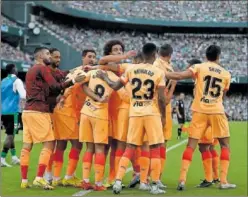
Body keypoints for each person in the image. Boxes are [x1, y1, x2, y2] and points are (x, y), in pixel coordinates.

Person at [96, 43, 166, 195]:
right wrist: (164, 117)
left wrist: (105, 78)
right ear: (155, 55)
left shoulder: (131, 69)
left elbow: (115, 86)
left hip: (134, 112)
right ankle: (153, 185)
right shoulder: (158, 72)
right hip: (151, 113)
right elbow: (161, 98)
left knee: (129, 148)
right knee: (154, 148)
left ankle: (118, 182)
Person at [164, 45, 236, 190]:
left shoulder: (199, 67)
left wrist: (160, 73)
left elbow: (178, 76)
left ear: (205, 55)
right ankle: (223, 181)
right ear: (219, 56)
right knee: (224, 145)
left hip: (200, 111)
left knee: (191, 146)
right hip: (216, 111)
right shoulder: (226, 74)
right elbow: (222, 96)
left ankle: (182, 180)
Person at [19, 47, 84, 190]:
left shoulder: (32, 70)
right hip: (39, 111)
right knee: (49, 144)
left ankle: (24, 180)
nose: (50, 56)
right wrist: (73, 81)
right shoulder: (42, 68)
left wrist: (78, 69)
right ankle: (39, 178)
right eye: (48, 54)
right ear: (41, 56)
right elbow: (55, 87)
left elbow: (60, 74)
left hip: (27, 112)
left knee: (27, 146)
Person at [187, 59, 220, 188]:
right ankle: (215, 176)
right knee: (211, 147)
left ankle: (209, 178)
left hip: (204, 117)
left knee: (204, 147)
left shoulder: (199, 82)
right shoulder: (206, 79)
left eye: (189, 68)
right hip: (213, 115)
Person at [153, 44, 177, 187]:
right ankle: (153, 176)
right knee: (157, 143)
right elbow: (163, 93)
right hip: (159, 106)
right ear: (170, 54)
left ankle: (156, 176)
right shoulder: (159, 66)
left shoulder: (168, 65)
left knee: (163, 142)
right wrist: (174, 84)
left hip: (164, 107)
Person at [1, 64, 26, 167]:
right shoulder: (17, 80)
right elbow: (23, 95)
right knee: (10, 135)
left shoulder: (2, 81)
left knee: (10, 134)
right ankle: (2, 158)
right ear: (14, 69)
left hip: (4, 112)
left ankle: (14, 157)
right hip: (13, 111)